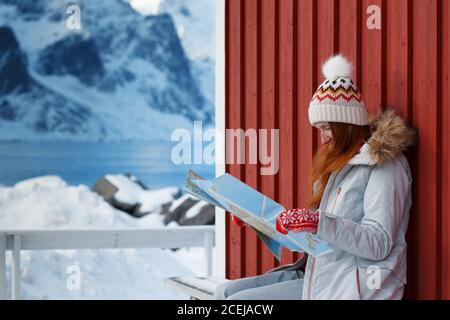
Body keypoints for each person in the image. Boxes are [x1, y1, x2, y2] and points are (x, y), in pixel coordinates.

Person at [214, 54, 417, 300]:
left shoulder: (385, 166)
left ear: (347, 124)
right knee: (224, 292)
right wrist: (263, 222)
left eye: (327, 127)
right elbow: (323, 235)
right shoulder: (340, 166)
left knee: (239, 302)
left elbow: (379, 242)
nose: (322, 138)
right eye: (319, 129)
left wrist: (318, 221)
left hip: (352, 286)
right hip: (321, 273)